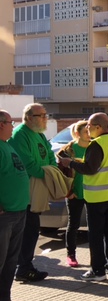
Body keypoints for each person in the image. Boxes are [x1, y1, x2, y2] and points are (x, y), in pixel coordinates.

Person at [58, 113, 108, 282]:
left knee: (95, 236)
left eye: (90, 126)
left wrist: (70, 163)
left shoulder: (96, 144)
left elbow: (90, 169)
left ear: (98, 127)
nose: (87, 129)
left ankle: (98, 271)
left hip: (96, 197)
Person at [8, 103, 56, 283]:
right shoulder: (20, 134)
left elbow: (50, 155)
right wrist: (49, 173)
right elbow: (27, 164)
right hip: (25, 192)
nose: (45, 118)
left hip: (37, 191)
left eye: (45, 115)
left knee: (32, 230)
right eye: (41, 115)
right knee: (27, 232)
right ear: (28, 117)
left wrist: (52, 170)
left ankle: (25, 266)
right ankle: (24, 268)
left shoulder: (39, 134)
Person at [0, 110, 30, 301]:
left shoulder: (7, 145)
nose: (14, 125)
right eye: (11, 122)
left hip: (18, 211)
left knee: (11, 260)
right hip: (5, 215)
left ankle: (3, 300)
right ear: (1, 124)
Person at [56, 120, 90, 268]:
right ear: (77, 134)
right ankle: (71, 255)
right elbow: (60, 175)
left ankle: (97, 256)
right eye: (85, 132)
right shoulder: (68, 151)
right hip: (74, 194)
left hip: (92, 193)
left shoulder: (94, 148)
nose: (89, 134)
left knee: (95, 227)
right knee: (73, 225)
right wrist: (68, 193)